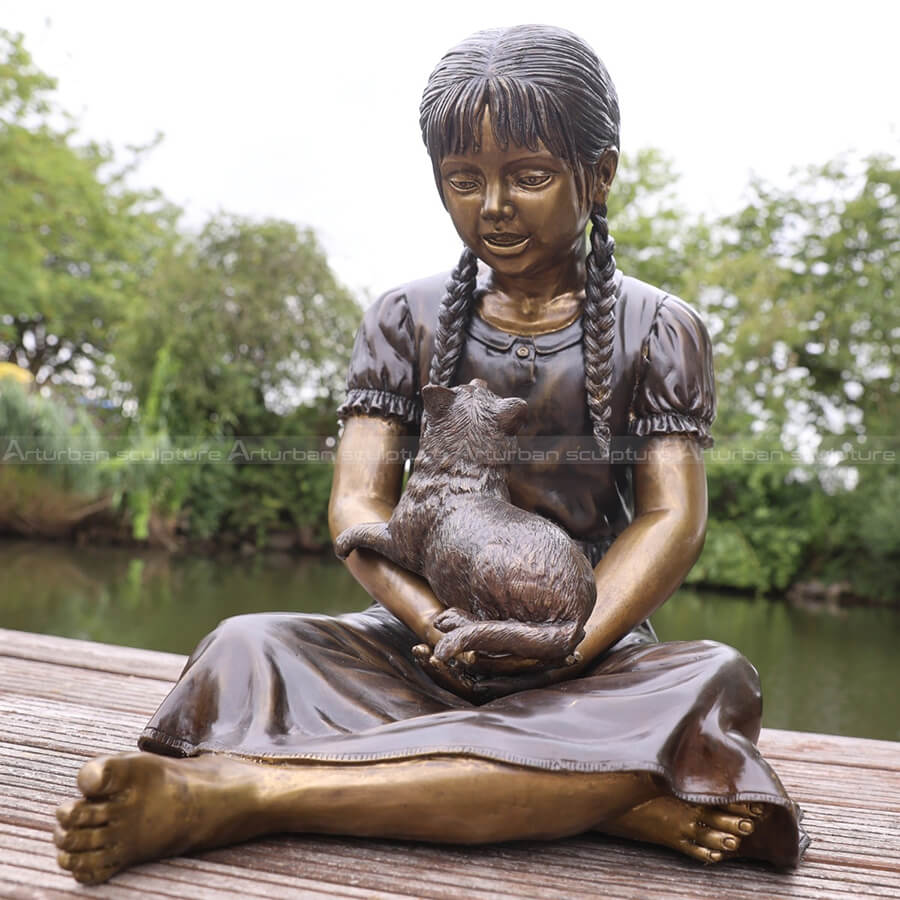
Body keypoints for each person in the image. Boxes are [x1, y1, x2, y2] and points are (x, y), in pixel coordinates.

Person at [54, 25, 807, 885]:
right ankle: (609, 796)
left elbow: (672, 518)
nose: (492, 205)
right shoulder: (404, 319)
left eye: (527, 176)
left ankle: (240, 795)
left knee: (713, 677)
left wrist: (564, 643)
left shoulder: (659, 328)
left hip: (585, 647)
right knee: (244, 649)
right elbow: (358, 509)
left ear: (599, 176)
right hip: (424, 636)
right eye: (463, 180)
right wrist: (432, 624)